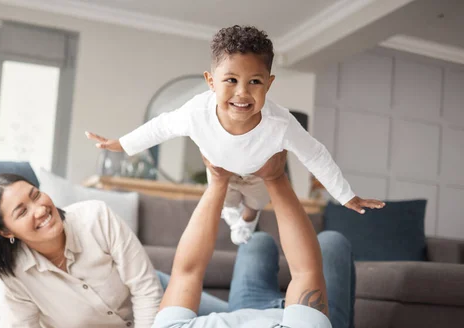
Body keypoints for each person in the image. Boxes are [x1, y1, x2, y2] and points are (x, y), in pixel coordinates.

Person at [86, 25, 384, 245]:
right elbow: (161, 126)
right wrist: (122, 144)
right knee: (227, 201)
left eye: (255, 81)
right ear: (211, 81)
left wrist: (345, 195)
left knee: (255, 200)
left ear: (269, 84)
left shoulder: (280, 124)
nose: (242, 93)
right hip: (220, 169)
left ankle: (248, 219)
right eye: (231, 80)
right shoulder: (195, 113)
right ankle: (234, 216)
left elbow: (314, 154)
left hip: (257, 173)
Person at [144, 151, 373, 328]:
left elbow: (187, 272)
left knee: (257, 243)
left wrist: (217, 181)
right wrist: (276, 177)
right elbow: (305, 271)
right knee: (332, 242)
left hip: (247, 310)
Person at [0, 174, 224, 328]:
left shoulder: (95, 216)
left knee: (245, 319)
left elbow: (146, 290)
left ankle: (255, 249)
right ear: (5, 231)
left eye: (36, 195)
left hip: (164, 299)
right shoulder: (16, 279)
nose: (39, 209)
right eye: (22, 212)